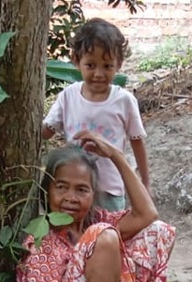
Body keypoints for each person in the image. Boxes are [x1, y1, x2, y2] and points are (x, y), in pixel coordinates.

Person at [18, 134, 175, 282]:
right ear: (46, 191)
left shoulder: (96, 219)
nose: (71, 197)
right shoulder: (44, 240)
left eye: (82, 190)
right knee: (103, 234)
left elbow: (147, 214)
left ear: (93, 195)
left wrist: (117, 156)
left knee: (159, 231)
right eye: (61, 187)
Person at [43, 17, 149, 212]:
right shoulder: (68, 96)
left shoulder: (124, 101)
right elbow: (45, 132)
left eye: (107, 66)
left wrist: (144, 184)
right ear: (76, 61)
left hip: (109, 189)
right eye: (91, 65)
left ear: (119, 64)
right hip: (75, 189)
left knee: (109, 234)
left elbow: (137, 143)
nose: (99, 74)